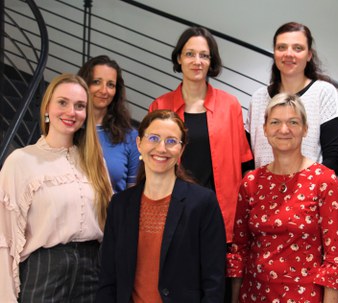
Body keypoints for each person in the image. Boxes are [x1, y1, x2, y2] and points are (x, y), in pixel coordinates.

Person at [227, 93, 338, 303]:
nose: (284, 130)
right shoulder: (251, 183)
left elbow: (334, 261)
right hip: (254, 295)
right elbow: (239, 251)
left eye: (293, 122)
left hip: (305, 296)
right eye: (275, 122)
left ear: (305, 129)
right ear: (265, 129)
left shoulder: (324, 181)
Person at [0, 74, 112, 302]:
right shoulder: (21, 161)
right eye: (63, 102)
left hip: (91, 270)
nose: (71, 112)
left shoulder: (94, 160)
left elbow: (109, 221)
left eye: (80, 106)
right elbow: (4, 236)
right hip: (45, 269)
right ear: (47, 108)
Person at [96, 110, 226, 302]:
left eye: (172, 141)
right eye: (154, 138)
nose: (162, 148)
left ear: (181, 150)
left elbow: (214, 281)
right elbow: (108, 278)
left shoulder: (202, 203)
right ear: (139, 144)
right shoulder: (120, 205)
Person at [148, 26, 253, 244]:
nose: (197, 61)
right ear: (179, 58)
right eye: (190, 54)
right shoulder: (160, 105)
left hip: (220, 215)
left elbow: (245, 163)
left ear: (211, 61)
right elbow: (150, 166)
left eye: (204, 55)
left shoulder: (230, 105)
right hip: (174, 212)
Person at [247, 21, 338, 174]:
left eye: (298, 48)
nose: (289, 54)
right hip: (264, 193)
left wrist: (310, 189)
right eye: (282, 47)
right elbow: (247, 158)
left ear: (309, 55)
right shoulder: (258, 98)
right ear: (274, 53)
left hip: (311, 194)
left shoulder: (324, 92)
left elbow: (334, 155)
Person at [78, 55, 140, 193]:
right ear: (84, 84)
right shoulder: (69, 129)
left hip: (111, 213)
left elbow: (133, 196)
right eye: (96, 82)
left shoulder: (130, 136)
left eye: (110, 85)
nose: (104, 90)